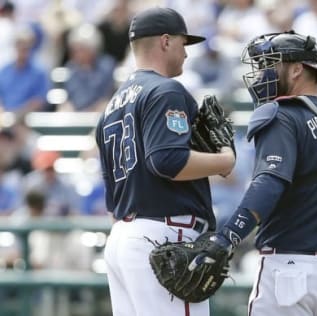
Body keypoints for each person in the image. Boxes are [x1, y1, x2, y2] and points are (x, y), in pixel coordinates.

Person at [194, 30, 317, 315]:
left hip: (292, 269)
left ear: (296, 69)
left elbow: (268, 184)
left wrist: (226, 237)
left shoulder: (281, 114)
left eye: (269, 65)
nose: (261, 76)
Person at [95, 7, 235, 316]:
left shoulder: (111, 107)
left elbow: (111, 192)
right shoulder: (165, 90)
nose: (187, 54)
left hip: (122, 236)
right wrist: (223, 160)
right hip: (164, 233)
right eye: (184, 44)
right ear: (166, 41)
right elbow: (168, 161)